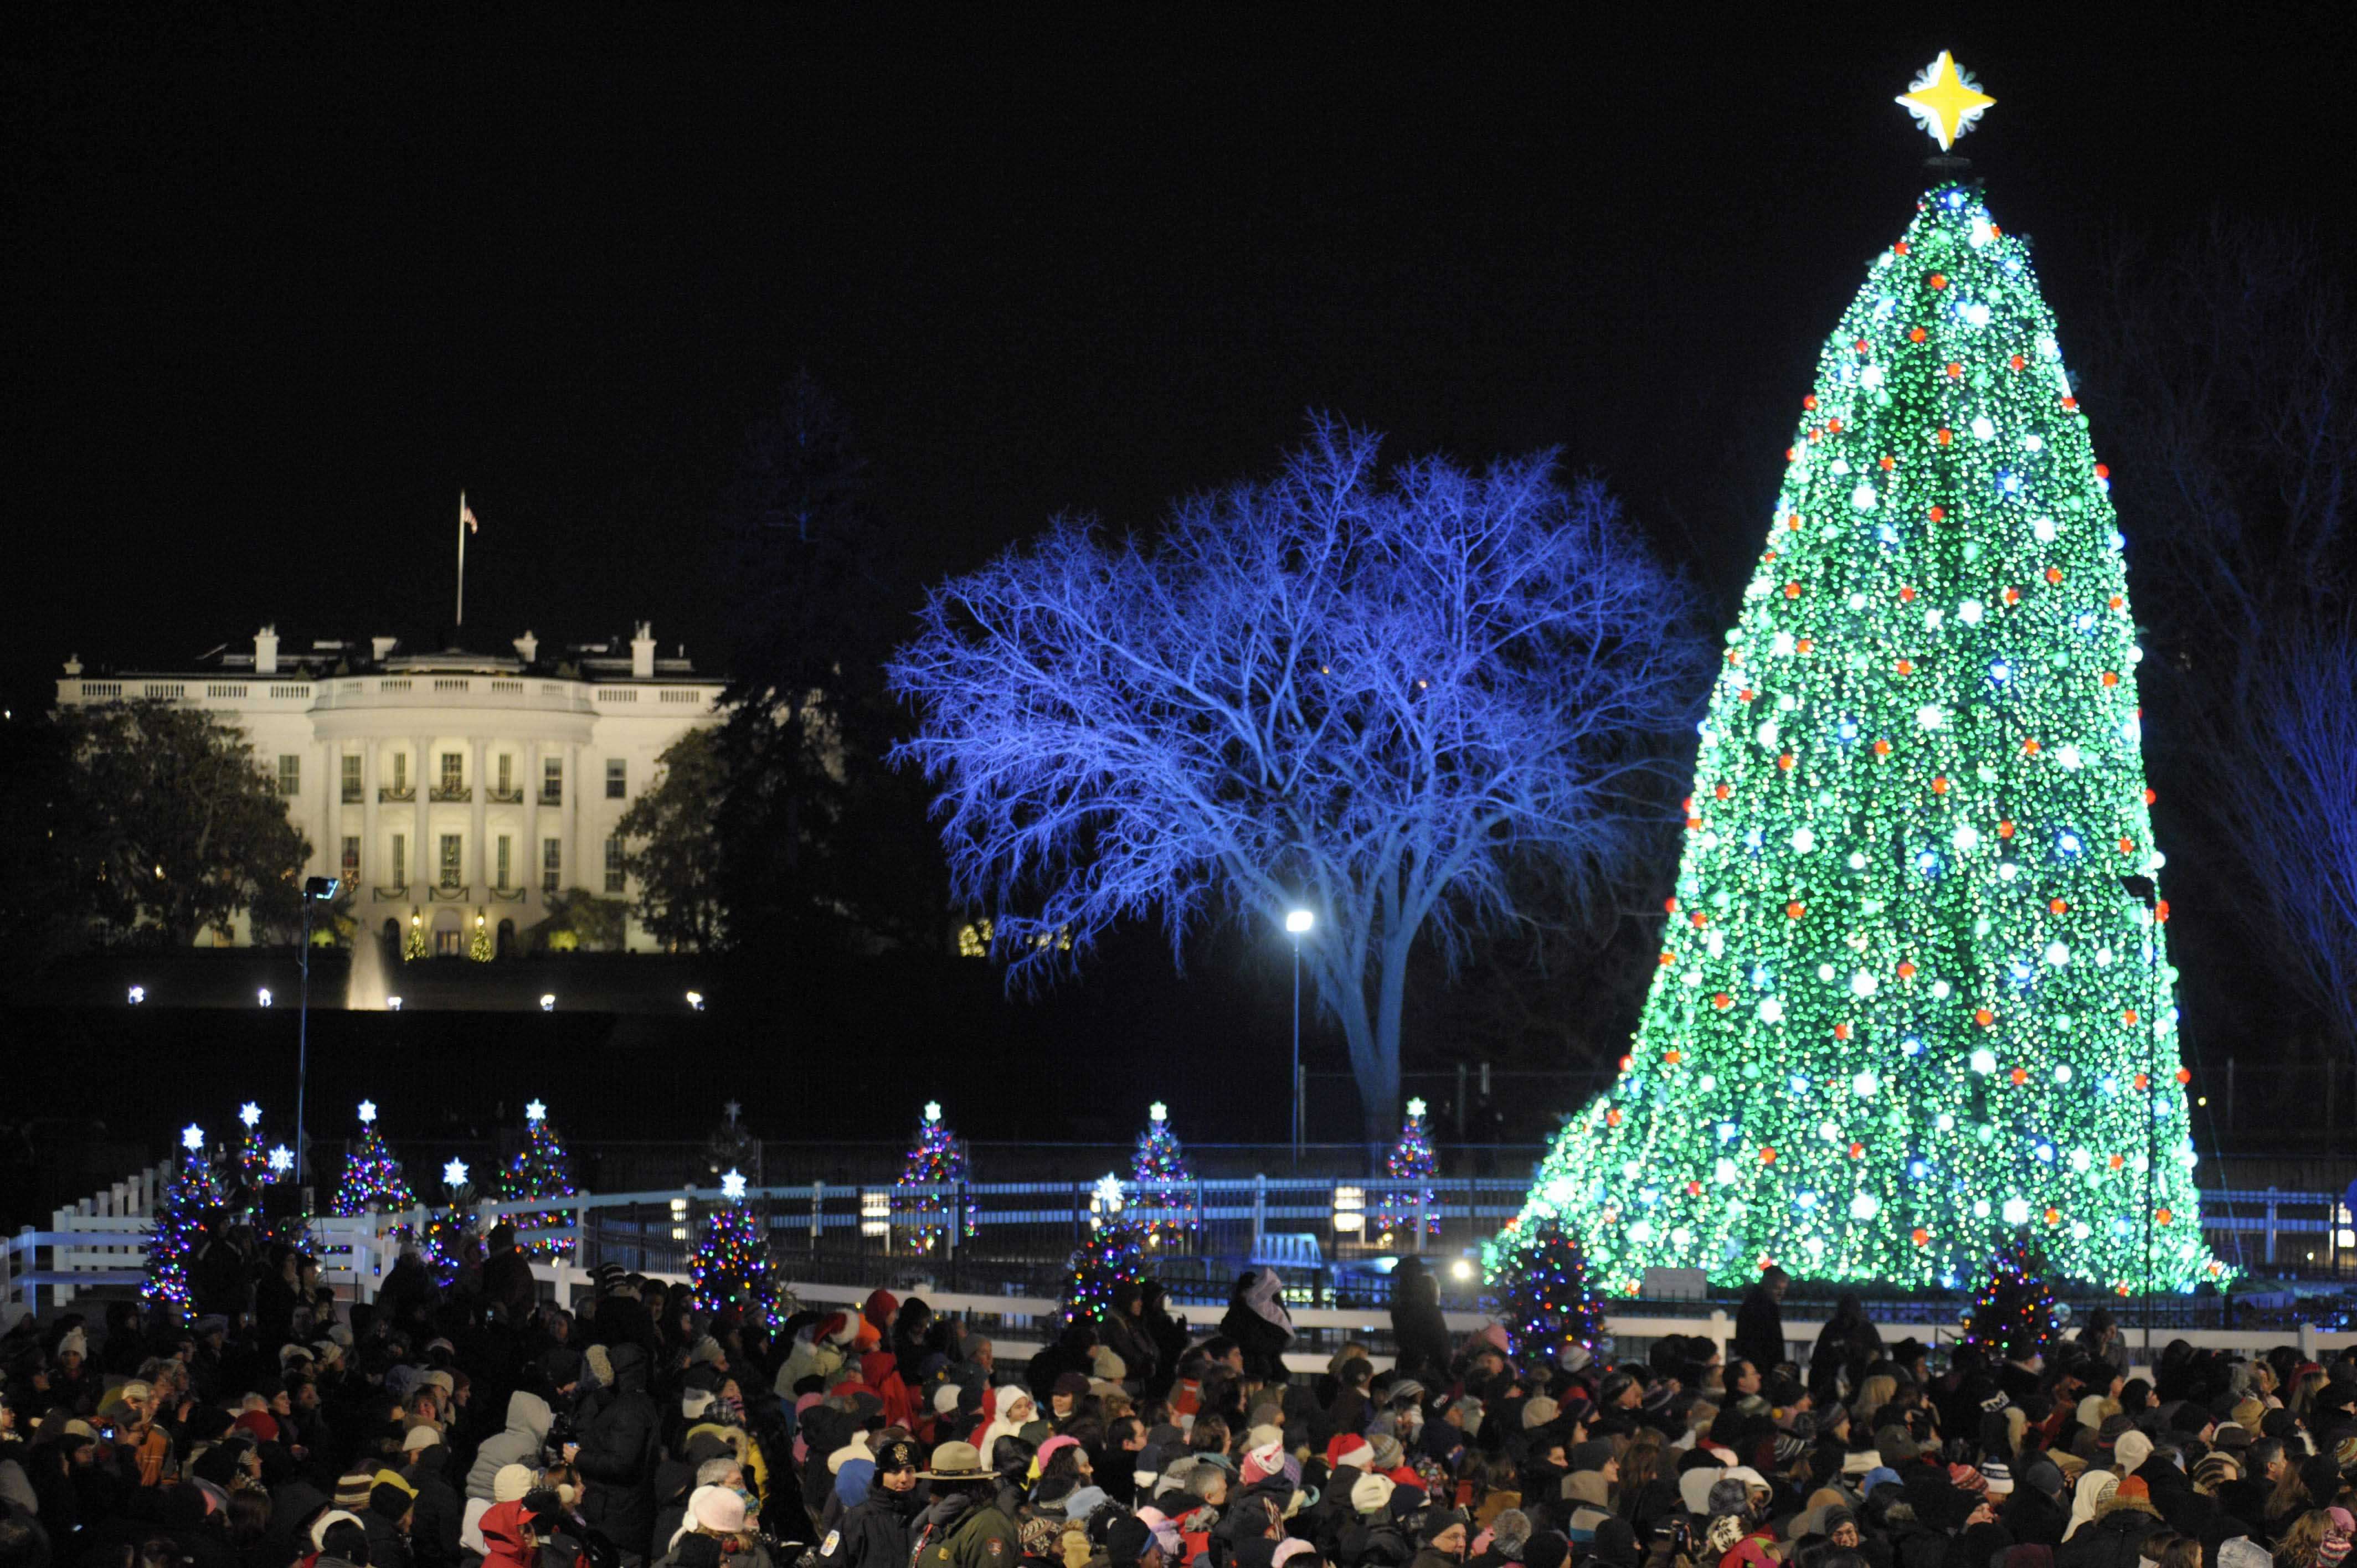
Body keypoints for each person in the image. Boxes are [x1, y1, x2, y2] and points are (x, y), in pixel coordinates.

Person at [815, 1437, 924, 1568]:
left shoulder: (928, 1515)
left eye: (909, 1471)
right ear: (881, 1475)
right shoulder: (858, 1519)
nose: (904, 1479)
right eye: (895, 1472)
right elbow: (830, 1564)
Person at [911, 1442, 1020, 1568]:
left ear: (954, 1486)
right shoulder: (940, 1521)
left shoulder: (988, 1526)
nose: (930, 1490)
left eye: (937, 1483)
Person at [1731, 1269, 1788, 1380]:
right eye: (1777, 1289)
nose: (1781, 1293)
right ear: (1767, 1285)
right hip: (1762, 1368)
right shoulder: (1761, 1308)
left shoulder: (1754, 1304)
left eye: (1783, 1289)